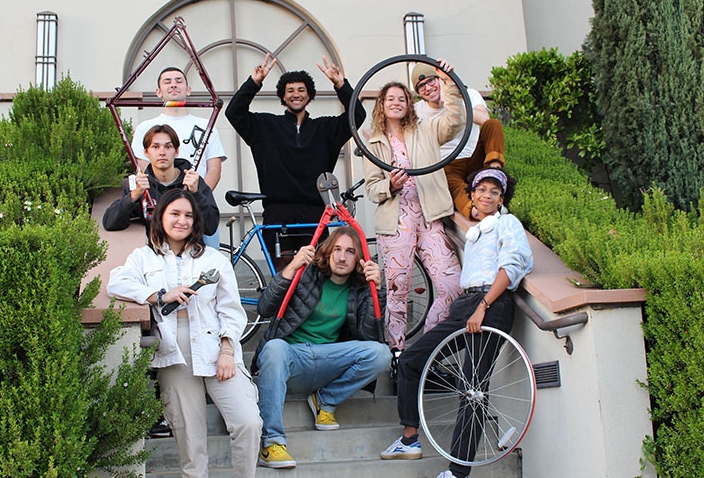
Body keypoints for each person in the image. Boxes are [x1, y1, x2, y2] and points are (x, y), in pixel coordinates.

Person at [379, 167, 533, 478]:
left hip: (490, 304)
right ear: (472, 194)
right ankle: (409, 439)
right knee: (411, 359)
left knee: (472, 386)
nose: (486, 195)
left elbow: (513, 265)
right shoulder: (475, 232)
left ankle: (458, 472)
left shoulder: (508, 224)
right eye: (481, 189)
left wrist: (484, 306)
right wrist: (469, 307)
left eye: (494, 191)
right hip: (465, 304)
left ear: (502, 198)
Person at [107, 188, 262, 478]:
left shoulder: (214, 259)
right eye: (175, 214)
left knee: (248, 421)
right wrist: (158, 294)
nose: (182, 221)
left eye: (189, 215)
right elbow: (115, 284)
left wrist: (228, 350)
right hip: (173, 355)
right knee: (190, 441)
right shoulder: (143, 257)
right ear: (161, 217)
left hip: (217, 350)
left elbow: (230, 309)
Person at [252, 226, 391, 469]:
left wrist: (376, 290)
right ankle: (271, 442)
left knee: (381, 354)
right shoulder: (307, 274)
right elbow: (264, 307)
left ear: (359, 258)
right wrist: (292, 267)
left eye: (349, 251)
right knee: (274, 348)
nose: (341, 257)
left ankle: (325, 400)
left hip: (328, 361)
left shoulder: (359, 289)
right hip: (292, 358)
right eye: (337, 249)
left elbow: (371, 336)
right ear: (327, 252)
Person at [225, 53, 366, 271]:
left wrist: (340, 84)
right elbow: (234, 112)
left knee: (316, 272)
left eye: (301, 90)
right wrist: (255, 82)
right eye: (290, 90)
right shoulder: (264, 126)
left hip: (315, 211)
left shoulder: (326, 129)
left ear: (309, 95)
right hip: (277, 210)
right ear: (282, 96)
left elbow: (357, 115)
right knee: (283, 273)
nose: (296, 95)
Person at [362, 59, 464, 351]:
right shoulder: (375, 144)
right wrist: (390, 186)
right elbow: (372, 189)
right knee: (397, 293)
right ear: (381, 105)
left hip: (429, 217)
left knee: (452, 285)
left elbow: (455, 120)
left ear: (410, 104)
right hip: (396, 223)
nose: (396, 103)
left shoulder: (427, 130)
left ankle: (423, 352)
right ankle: (397, 355)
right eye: (390, 99)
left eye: (402, 98)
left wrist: (449, 83)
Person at [131, 67, 228, 248]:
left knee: (209, 262)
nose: (173, 85)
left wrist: (198, 194)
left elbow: (214, 168)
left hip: (200, 205)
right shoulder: (146, 127)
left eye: (178, 80)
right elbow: (144, 168)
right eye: (167, 81)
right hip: (162, 210)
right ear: (158, 92)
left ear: (188, 89)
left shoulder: (206, 125)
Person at [410, 63, 506, 221]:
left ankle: (495, 172)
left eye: (431, 81)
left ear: (441, 79)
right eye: (421, 86)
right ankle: (475, 210)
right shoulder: (416, 111)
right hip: (447, 164)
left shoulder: (467, 95)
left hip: (474, 158)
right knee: (454, 185)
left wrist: (451, 101)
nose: (427, 88)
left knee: (493, 125)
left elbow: (484, 119)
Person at [102, 124, 218, 238]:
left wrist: (196, 194)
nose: (162, 152)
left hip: (190, 252)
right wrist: (133, 196)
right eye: (155, 147)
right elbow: (110, 223)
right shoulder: (141, 186)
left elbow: (210, 227)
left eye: (168, 147)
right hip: (155, 254)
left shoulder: (192, 181)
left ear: (176, 151)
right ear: (146, 152)